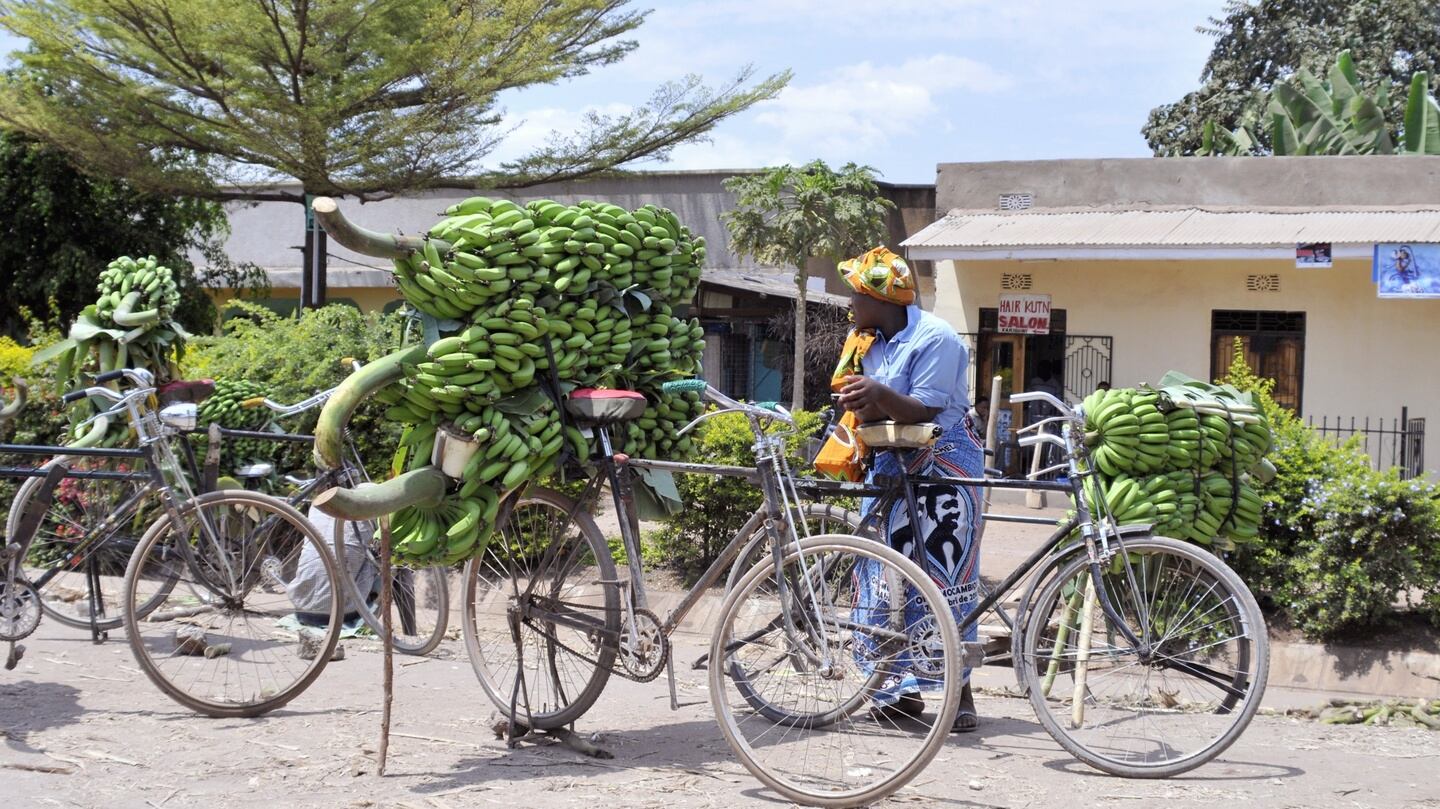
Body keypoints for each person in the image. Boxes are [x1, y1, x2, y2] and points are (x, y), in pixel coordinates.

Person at [833, 246, 985, 733]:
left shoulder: (936, 339)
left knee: (945, 577)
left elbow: (923, 410)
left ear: (880, 297)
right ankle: (893, 691)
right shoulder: (865, 342)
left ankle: (958, 694)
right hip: (889, 463)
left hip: (943, 468)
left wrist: (876, 393)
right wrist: (862, 400)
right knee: (881, 578)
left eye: (856, 294)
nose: (850, 305)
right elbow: (866, 409)